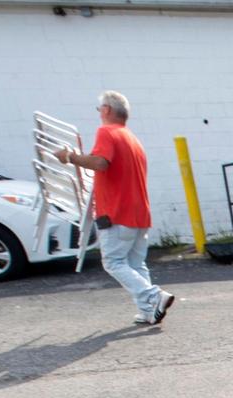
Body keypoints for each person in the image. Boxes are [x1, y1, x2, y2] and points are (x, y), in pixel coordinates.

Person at [56, 91, 173, 325]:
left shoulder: (106, 132)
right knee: (135, 264)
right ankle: (149, 311)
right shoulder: (131, 138)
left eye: (99, 109)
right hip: (140, 214)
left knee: (113, 263)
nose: (99, 113)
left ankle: (154, 296)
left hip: (117, 213)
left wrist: (69, 156)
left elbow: (100, 162)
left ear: (107, 110)